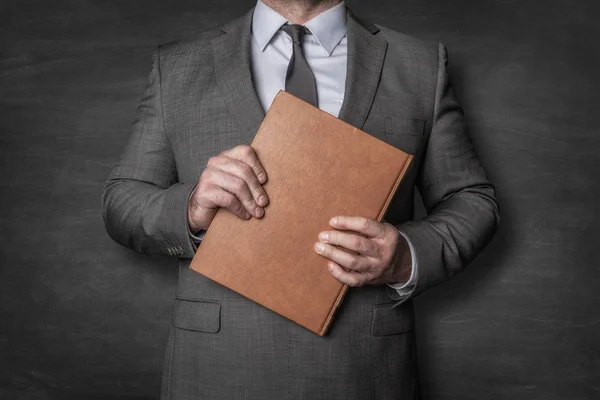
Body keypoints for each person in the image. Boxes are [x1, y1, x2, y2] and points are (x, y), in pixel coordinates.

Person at [101, 0, 500, 398]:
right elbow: (123, 199)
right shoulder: (178, 65)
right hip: (216, 365)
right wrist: (189, 209)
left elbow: (471, 198)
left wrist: (407, 256)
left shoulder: (419, 64)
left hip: (364, 370)